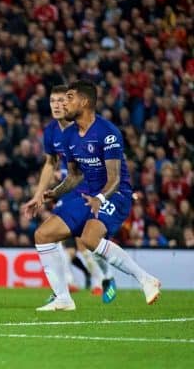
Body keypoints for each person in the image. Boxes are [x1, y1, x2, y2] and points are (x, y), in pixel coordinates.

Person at [25, 80, 160, 311]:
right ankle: (63, 298)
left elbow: (115, 179)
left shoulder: (107, 133)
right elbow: (75, 176)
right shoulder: (69, 137)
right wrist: (53, 193)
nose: (64, 103)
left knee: (89, 238)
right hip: (87, 194)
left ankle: (146, 279)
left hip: (116, 195)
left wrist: (101, 198)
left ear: (84, 102)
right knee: (43, 234)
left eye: (69, 98)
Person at [23, 85, 117, 303]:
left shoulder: (88, 127)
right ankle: (64, 288)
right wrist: (39, 194)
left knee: (87, 241)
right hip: (68, 190)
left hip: (91, 190)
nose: (57, 105)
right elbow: (50, 163)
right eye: (52, 101)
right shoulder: (51, 132)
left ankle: (103, 277)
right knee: (52, 236)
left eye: (60, 101)